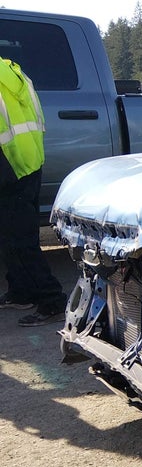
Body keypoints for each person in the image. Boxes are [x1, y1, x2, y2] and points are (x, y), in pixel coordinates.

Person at [0, 58, 67, 327]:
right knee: (10, 234)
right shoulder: (12, 70)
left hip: (7, 165)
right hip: (27, 160)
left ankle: (52, 300)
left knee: (19, 239)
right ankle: (21, 291)